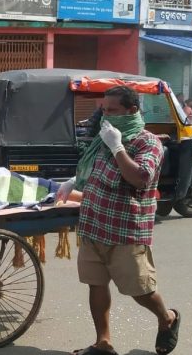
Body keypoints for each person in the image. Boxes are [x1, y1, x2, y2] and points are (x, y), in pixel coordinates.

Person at [57, 86, 180, 355]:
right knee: (96, 284)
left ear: (131, 110)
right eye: (104, 110)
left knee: (140, 290)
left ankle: (167, 317)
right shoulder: (106, 136)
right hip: (93, 225)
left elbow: (139, 178)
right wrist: (73, 181)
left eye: (113, 111)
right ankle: (104, 342)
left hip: (125, 229)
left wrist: (117, 147)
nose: (106, 116)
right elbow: (94, 171)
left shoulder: (147, 142)